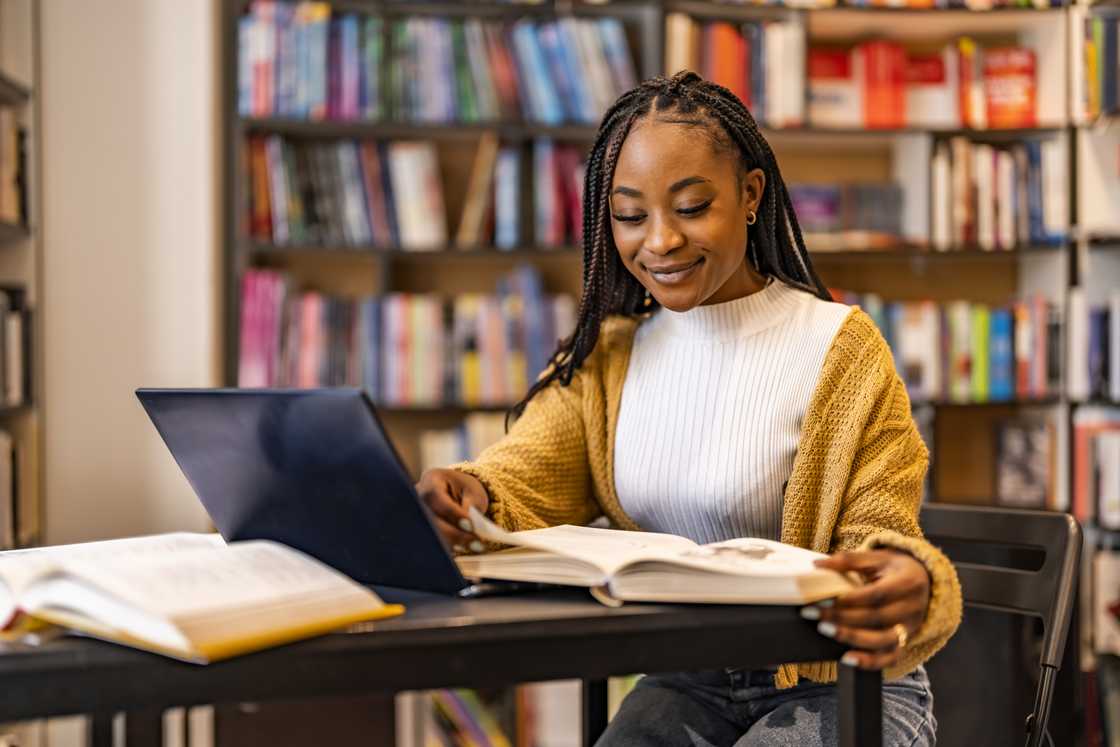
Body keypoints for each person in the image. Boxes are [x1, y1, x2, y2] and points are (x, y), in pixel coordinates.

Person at [417, 71, 961, 746]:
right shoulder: (611, 355)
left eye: (692, 205)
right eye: (630, 215)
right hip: (687, 679)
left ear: (750, 194)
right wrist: (472, 492)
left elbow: (883, 529)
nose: (661, 241)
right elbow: (523, 472)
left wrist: (905, 576)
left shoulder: (842, 350)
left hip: (840, 683)